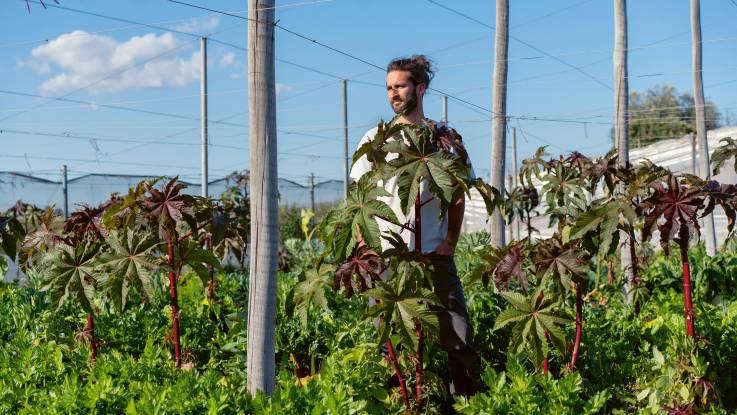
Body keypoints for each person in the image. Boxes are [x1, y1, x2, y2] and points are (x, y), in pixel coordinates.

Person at [349, 55, 479, 398]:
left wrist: (450, 241)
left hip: (434, 254)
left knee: (458, 334)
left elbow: (459, 193)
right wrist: (365, 245)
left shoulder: (444, 139)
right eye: (389, 88)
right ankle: (401, 400)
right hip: (390, 255)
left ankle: (465, 403)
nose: (393, 94)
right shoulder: (375, 139)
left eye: (400, 86)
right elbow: (358, 197)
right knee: (390, 338)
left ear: (420, 88)